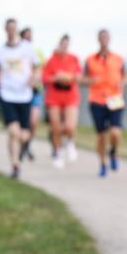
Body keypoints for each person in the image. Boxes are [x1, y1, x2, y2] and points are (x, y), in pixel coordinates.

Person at [0, 18, 41, 179]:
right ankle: (15, 165)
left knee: (24, 135)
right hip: (7, 95)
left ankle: (23, 148)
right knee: (13, 132)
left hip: (24, 95)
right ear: (5, 30)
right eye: (8, 28)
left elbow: (37, 68)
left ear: (17, 30)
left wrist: (35, 78)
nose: (11, 31)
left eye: (14, 28)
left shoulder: (28, 48)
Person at [82, 29, 127, 178]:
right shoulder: (90, 59)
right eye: (101, 37)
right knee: (101, 135)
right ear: (98, 39)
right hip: (97, 99)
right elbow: (83, 79)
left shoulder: (118, 58)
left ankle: (113, 152)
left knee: (115, 132)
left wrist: (123, 82)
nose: (104, 40)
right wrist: (90, 81)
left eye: (106, 37)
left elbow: (126, 76)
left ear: (109, 39)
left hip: (115, 98)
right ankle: (102, 164)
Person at [42, 34, 82, 169]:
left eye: (66, 45)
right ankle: (58, 153)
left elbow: (78, 76)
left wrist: (67, 77)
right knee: (56, 127)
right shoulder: (51, 60)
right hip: (54, 96)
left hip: (70, 95)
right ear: (59, 45)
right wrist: (56, 78)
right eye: (62, 44)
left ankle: (70, 142)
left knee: (70, 126)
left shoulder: (74, 59)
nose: (64, 47)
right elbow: (45, 78)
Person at [20, 27, 46, 161]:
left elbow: (42, 69)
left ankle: (27, 146)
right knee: (22, 123)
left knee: (33, 122)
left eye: (30, 36)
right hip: (20, 92)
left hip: (35, 91)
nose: (28, 39)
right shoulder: (17, 52)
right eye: (26, 36)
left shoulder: (38, 52)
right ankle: (21, 146)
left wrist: (36, 80)